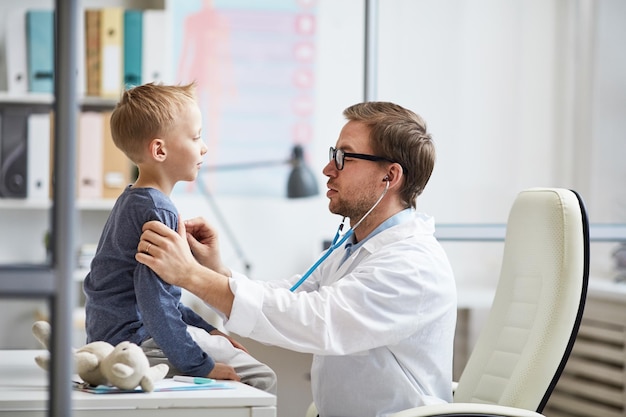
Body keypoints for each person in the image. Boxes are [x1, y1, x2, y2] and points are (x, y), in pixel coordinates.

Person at [135, 101, 457, 416]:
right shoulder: (355, 247)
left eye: (343, 157)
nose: (328, 169)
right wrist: (214, 269)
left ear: (390, 176)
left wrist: (190, 276)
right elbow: (289, 295)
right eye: (334, 155)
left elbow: (316, 318)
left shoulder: (412, 264)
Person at [83, 82, 276, 394]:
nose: (204, 147)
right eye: (197, 136)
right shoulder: (158, 210)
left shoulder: (131, 200)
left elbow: (159, 298)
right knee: (262, 378)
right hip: (140, 342)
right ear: (160, 150)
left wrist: (210, 329)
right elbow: (155, 303)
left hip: (111, 336)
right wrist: (201, 364)